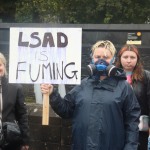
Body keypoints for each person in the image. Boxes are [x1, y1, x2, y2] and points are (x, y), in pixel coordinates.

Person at [41, 40, 140, 150]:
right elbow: (66, 110)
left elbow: (132, 122)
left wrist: (130, 147)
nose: (101, 60)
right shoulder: (84, 84)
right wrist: (52, 93)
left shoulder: (123, 87)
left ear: (113, 59)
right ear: (92, 58)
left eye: (106, 57)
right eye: (97, 56)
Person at [116, 44, 150, 150]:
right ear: (120, 59)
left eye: (132, 57)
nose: (129, 60)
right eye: (125, 57)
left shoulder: (146, 76)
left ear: (137, 59)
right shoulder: (112, 76)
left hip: (139, 128)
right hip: (116, 126)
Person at [0, 52, 29, 150]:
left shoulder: (15, 87)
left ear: (4, 65)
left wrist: (25, 140)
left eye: (0, 65)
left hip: (10, 138)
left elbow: (22, 115)